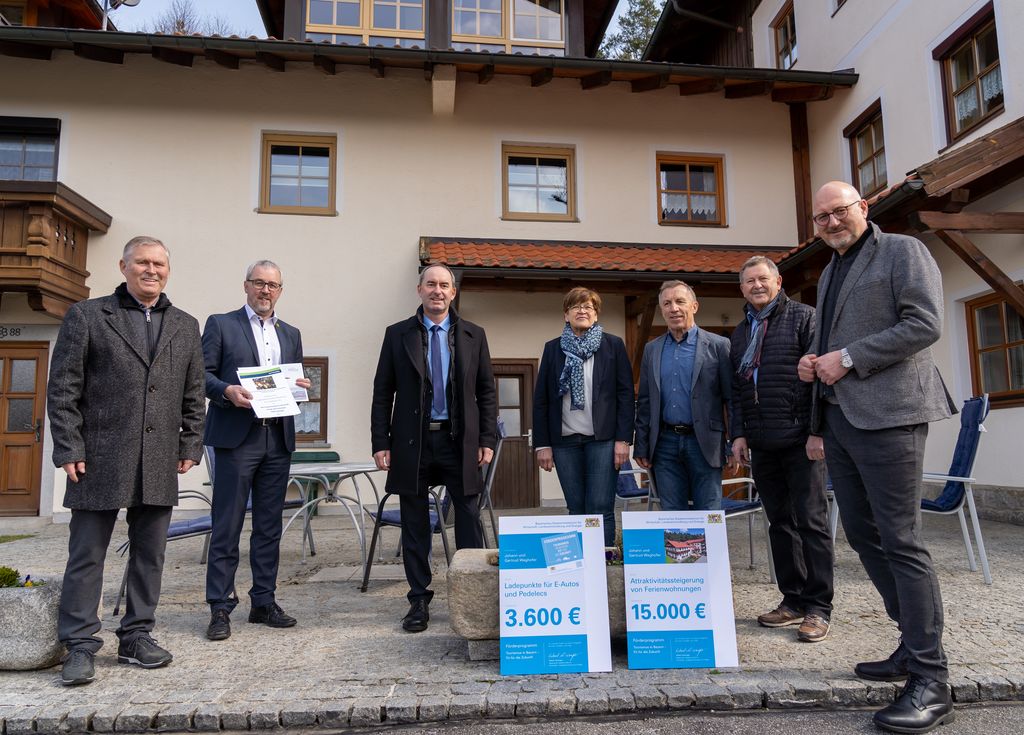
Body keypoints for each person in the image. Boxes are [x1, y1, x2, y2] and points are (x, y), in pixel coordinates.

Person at [798, 181, 956, 734]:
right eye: (821, 217)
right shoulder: (831, 271)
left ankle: (932, 680)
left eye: (839, 211)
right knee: (864, 537)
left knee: (902, 540)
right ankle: (912, 646)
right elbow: (835, 344)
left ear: (862, 207)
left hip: (892, 415)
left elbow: (925, 323)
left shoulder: (903, 251)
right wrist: (816, 362)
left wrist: (846, 357)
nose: (831, 222)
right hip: (841, 418)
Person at [47, 236, 205, 686]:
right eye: (142, 262)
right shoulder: (88, 316)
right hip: (97, 457)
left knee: (150, 555)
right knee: (87, 555)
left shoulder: (185, 325)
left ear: (167, 271)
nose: (151, 270)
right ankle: (80, 645)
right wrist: (69, 447)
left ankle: (136, 636)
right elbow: (63, 389)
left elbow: (194, 394)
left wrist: (190, 445)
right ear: (123, 267)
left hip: (159, 458)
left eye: (159, 264)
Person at [371, 264, 497, 633]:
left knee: (469, 519)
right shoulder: (397, 334)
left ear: (453, 292)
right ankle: (418, 600)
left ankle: (473, 594)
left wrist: (486, 439)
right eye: (431, 284)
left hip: (459, 443)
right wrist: (381, 442)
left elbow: (486, 392)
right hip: (414, 442)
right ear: (419, 290)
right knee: (414, 522)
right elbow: (383, 393)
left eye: (444, 285)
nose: (437, 291)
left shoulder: (474, 334)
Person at [202, 260, 311, 641]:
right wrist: (226, 391)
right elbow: (201, 374)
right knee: (227, 524)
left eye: (273, 285)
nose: (266, 290)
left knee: (268, 527)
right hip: (237, 438)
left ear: (280, 290)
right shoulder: (221, 324)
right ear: (246, 285)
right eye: (259, 283)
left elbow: (291, 379)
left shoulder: (291, 333)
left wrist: (300, 385)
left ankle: (263, 601)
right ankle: (220, 606)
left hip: (277, 438)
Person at [728, 256, 833, 644]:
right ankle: (793, 600)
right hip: (762, 442)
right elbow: (739, 389)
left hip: (801, 440)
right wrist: (739, 434)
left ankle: (819, 607)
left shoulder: (805, 318)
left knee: (811, 523)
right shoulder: (741, 332)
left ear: (778, 281)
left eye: (762, 279)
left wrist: (817, 431)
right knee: (780, 524)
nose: (756, 286)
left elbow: (821, 380)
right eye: (749, 281)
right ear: (742, 288)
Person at [533, 287, 634, 546]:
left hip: (603, 441)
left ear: (596, 314)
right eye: (575, 306)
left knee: (600, 506)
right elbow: (542, 399)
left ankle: (604, 561)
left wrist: (623, 439)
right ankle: (581, 565)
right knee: (576, 507)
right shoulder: (553, 348)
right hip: (564, 442)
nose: (582, 311)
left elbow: (625, 395)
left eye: (588, 306)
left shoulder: (613, 346)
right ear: (566, 315)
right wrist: (542, 444)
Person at [634, 281, 731, 510]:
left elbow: (732, 399)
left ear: (694, 306)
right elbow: (645, 401)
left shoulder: (719, 345)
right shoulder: (652, 349)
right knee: (672, 514)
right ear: (662, 310)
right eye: (667, 303)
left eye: (680, 301)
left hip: (705, 442)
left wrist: (733, 443)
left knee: (709, 512)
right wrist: (641, 445)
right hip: (664, 444)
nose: (674, 308)